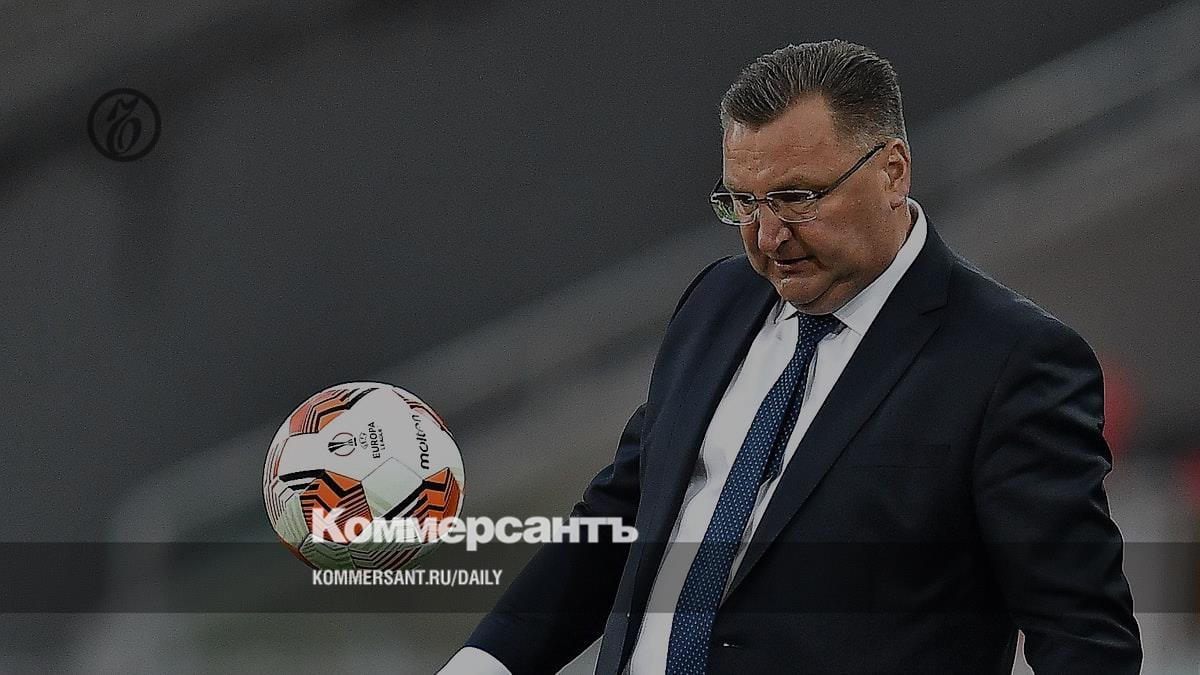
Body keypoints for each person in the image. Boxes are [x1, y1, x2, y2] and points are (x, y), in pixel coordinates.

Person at [441, 40, 1140, 673]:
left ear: (892, 171)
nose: (768, 235)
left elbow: (1082, 636)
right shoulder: (716, 303)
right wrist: (485, 662)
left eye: (797, 198)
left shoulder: (1011, 361)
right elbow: (623, 514)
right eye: (742, 203)